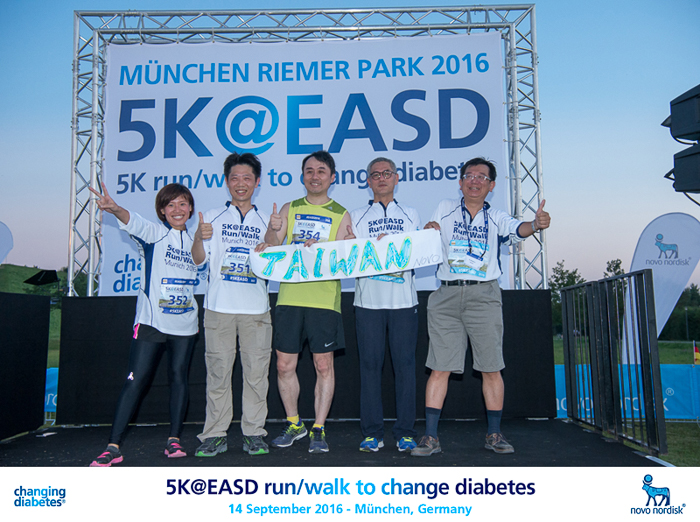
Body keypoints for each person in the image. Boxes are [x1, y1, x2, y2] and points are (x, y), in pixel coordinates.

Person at [411, 157, 551, 457]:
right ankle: (430, 437)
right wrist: (429, 229)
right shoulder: (444, 207)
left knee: (491, 367)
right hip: (446, 295)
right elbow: (430, 235)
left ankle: (494, 433)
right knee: (439, 367)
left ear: (491, 185)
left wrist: (535, 225)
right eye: (469, 176)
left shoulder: (497, 216)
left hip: (484, 296)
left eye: (481, 177)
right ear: (461, 182)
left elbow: (519, 229)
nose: (474, 181)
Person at [88, 182, 199, 467]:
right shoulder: (154, 233)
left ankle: (174, 440)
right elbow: (132, 220)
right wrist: (114, 208)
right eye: (170, 204)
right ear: (162, 211)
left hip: (185, 324)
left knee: (179, 378)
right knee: (135, 381)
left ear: (190, 209)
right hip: (152, 323)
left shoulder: (197, 242)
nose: (177, 209)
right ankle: (113, 446)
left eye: (183, 203)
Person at [256, 150, 353, 453]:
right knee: (284, 365)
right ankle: (294, 423)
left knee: (323, 365)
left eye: (321, 171)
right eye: (309, 171)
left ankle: (319, 428)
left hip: (324, 300)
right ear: (303, 176)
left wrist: (344, 247)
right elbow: (271, 247)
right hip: (290, 296)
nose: (315, 176)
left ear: (332, 177)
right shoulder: (290, 208)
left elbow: (345, 260)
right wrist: (273, 229)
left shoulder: (341, 213)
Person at [191, 153, 272, 457]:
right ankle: (214, 434)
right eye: (235, 178)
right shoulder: (211, 217)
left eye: (247, 178)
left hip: (256, 310)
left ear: (257, 182)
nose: (241, 183)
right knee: (218, 374)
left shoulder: (267, 221)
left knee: (256, 375)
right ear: (226, 182)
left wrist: (274, 236)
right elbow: (197, 260)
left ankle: (254, 433)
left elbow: (275, 262)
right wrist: (198, 237)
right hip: (219, 309)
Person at [346, 157, 420, 453]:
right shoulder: (356, 215)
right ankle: (372, 433)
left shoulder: (411, 213)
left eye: (387, 173)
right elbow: (350, 254)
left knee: (405, 368)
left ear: (397, 177)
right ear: (368, 181)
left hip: (404, 301)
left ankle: (405, 432)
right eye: (375, 174)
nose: (381, 178)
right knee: (369, 368)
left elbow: (417, 252)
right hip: (368, 302)